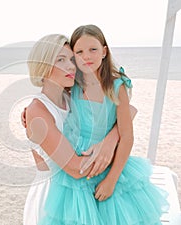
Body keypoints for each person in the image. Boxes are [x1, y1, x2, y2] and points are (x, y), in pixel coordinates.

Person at [38, 24, 169, 225]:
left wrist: (111, 180)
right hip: (77, 162)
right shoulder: (72, 85)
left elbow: (127, 136)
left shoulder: (116, 87)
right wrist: (29, 114)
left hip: (111, 164)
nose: (86, 57)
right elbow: (49, 96)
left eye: (93, 50)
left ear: (104, 51)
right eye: (79, 52)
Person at [23, 34, 122, 225]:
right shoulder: (37, 111)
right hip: (54, 199)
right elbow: (76, 169)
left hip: (80, 191)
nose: (71, 66)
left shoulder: (69, 97)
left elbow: (117, 112)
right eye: (60, 60)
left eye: (71, 59)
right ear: (43, 66)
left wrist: (112, 138)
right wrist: (111, 148)